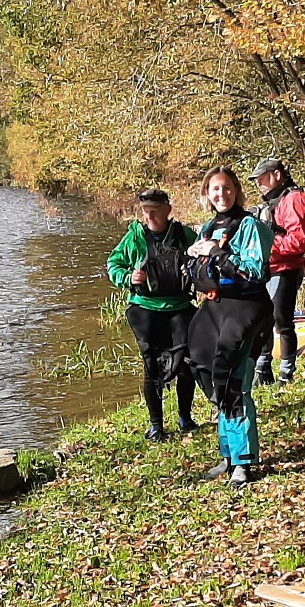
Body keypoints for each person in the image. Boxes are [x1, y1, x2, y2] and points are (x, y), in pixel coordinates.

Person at [186, 166, 274, 487]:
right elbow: (200, 273)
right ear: (206, 194)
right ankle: (228, 454)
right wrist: (193, 259)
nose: (221, 194)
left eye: (226, 188)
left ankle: (243, 462)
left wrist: (216, 252)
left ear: (236, 190)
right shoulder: (208, 227)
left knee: (235, 382)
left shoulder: (248, 224)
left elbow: (254, 270)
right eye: (214, 189)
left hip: (246, 308)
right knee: (208, 373)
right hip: (217, 308)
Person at [106, 188, 200, 441]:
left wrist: (196, 272)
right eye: (146, 213)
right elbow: (113, 264)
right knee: (152, 366)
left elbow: (203, 259)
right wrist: (128, 277)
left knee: (184, 364)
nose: (150, 218)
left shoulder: (184, 235)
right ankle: (156, 425)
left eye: (155, 212)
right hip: (145, 307)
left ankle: (185, 417)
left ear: (168, 210)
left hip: (180, 307)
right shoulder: (134, 237)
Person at [251, 157, 305, 387]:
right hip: (268, 269)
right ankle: (263, 369)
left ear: (277, 175)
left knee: (281, 320)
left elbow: (298, 241)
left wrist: (266, 249)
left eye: (262, 178)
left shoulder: (294, 199)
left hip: (286, 269)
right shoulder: (272, 202)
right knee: (262, 319)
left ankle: (286, 373)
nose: (258, 183)